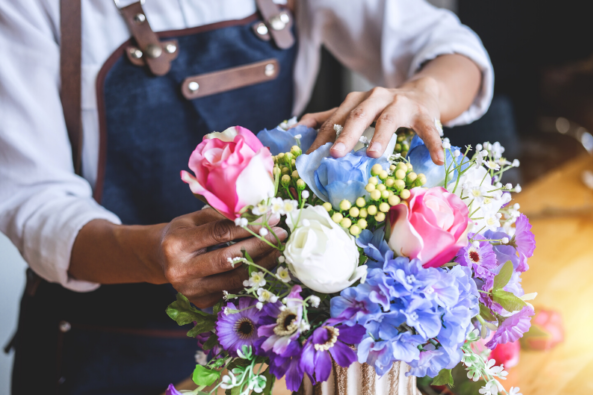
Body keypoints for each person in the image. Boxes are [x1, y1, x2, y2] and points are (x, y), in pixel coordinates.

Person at [0, 0, 492, 393]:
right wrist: (153, 256)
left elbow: (453, 50)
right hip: (97, 350)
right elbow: (33, 201)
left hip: (262, 349)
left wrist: (424, 92)